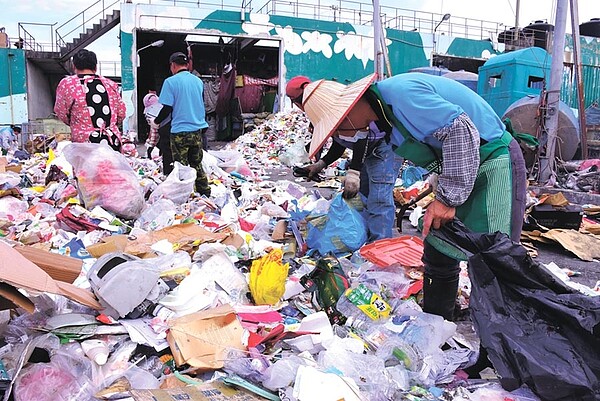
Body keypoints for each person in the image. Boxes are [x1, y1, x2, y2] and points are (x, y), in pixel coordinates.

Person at [300, 72, 527, 323]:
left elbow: (461, 131)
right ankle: (439, 327)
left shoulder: (402, 96)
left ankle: (496, 349)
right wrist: (441, 182)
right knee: (439, 247)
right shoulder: (384, 118)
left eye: (339, 128)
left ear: (350, 110)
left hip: (493, 163)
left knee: (494, 260)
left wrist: (447, 198)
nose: (344, 135)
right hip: (462, 168)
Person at [286, 75, 402, 241]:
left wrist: (354, 172)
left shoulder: (340, 106)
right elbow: (341, 141)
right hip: (367, 151)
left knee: (379, 199)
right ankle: (366, 237)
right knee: (364, 196)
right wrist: (320, 164)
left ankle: (380, 246)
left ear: (297, 102)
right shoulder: (322, 110)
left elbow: (361, 135)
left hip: (384, 147)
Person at [153, 52, 211, 197]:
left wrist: (156, 122)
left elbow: (167, 108)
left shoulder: (170, 82)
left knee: (181, 167)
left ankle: (185, 195)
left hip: (180, 132)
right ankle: (204, 192)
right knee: (197, 163)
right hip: (198, 130)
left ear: (173, 65)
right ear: (187, 65)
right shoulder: (198, 81)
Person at [54, 49, 126, 151]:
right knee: (110, 167)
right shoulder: (110, 84)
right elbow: (121, 113)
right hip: (111, 142)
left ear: (74, 66)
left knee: (85, 167)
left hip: (84, 143)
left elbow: (61, 112)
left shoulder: (68, 84)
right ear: (95, 67)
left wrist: (77, 123)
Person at [142, 92, 174, 175]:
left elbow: (154, 134)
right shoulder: (165, 109)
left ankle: (167, 174)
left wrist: (150, 146)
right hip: (171, 134)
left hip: (163, 136)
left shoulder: (150, 115)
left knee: (165, 154)